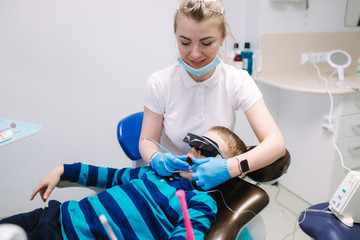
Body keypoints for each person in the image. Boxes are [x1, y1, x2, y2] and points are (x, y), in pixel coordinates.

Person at [0, 126, 247, 240]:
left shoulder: (200, 202)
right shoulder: (153, 172)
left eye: (207, 151)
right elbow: (107, 175)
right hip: (55, 216)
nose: (193, 151)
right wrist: (63, 169)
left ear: (224, 170)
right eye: (195, 143)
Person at [140, 0, 285, 191]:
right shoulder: (160, 83)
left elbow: (276, 144)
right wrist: (156, 158)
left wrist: (230, 167)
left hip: (213, 184)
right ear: (176, 37)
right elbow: (146, 141)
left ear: (223, 37)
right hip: (170, 182)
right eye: (185, 42)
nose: (195, 53)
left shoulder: (238, 81)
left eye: (206, 43)